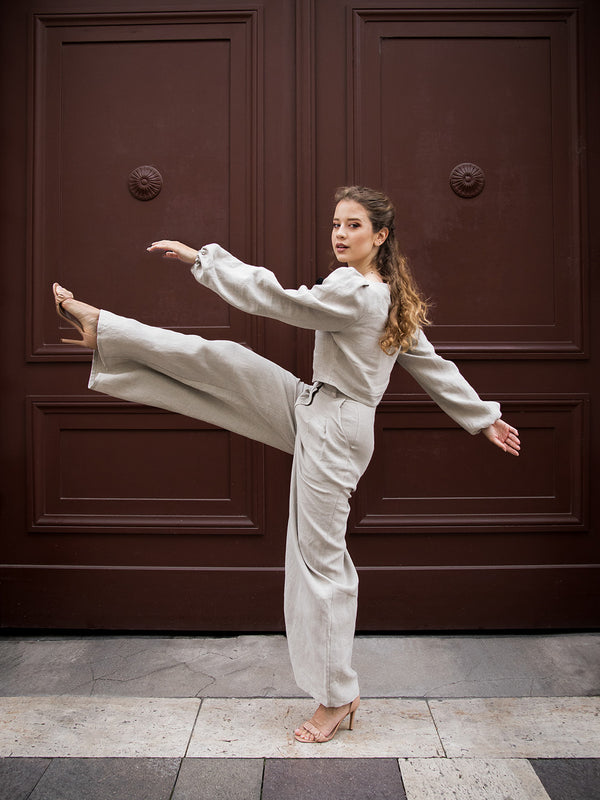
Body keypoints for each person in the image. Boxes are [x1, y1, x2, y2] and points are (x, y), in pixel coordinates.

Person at [52, 185, 520, 744]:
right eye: (336, 224)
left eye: (353, 226)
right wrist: (481, 416)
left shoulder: (363, 295)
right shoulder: (382, 292)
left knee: (319, 565)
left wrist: (204, 262)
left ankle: (337, 695)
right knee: (225, 360)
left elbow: (281, 301)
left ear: (381, 236)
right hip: (314, 405)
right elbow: (432, 365)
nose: (340, 235)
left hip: (336, 428)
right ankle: (105, 329)